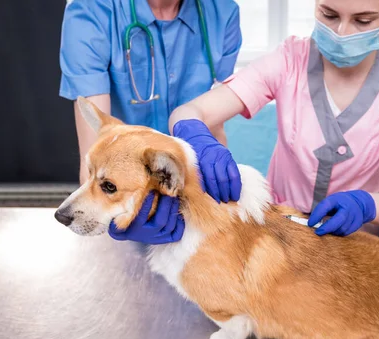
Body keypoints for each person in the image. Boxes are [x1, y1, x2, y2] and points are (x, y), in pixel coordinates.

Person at [165, 0, 379, 238]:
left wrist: (366, 205)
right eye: (329, 14)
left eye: (363, 20)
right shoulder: (290, 60)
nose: (342, 33)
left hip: (359, 238)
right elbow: (187, 112)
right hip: (281, 226)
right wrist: (198, 138)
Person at [58, 0, 243, 244]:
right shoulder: (92, 12)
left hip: (186, 190)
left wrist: (217, 189)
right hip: (123, 200)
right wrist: (113, 216)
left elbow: (214, 123)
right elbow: (97, 148)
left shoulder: (222, 12)